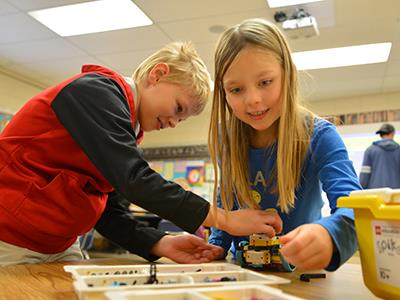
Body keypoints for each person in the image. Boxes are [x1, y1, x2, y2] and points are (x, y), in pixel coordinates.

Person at [0, 41, 280, 266]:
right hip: (11, 238)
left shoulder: (126, 130)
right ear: (157, 75)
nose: (172, 123)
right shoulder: (95, 92)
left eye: (181, 121)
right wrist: (225, 219)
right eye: (178, 109)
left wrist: (159, 242)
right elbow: (135, 179)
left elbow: (108, 213)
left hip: (59, 244)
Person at [207, 18, 362, 271]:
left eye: (265, 82)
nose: (253, 100)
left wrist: (328, 234)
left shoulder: (320, 135)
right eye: (236, 89)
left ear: (287, 75)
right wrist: (216, 244)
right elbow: (226, 199)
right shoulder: (227, 138)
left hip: (301, 277)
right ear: (223, 92)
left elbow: (355, 211)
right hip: (241, 273)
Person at [359, 123, 400, 189]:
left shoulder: (370, 150)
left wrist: (361, 190)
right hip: (396, 194)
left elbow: (364, 175)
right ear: (393, 133)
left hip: (376, 194)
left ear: (381, 135)